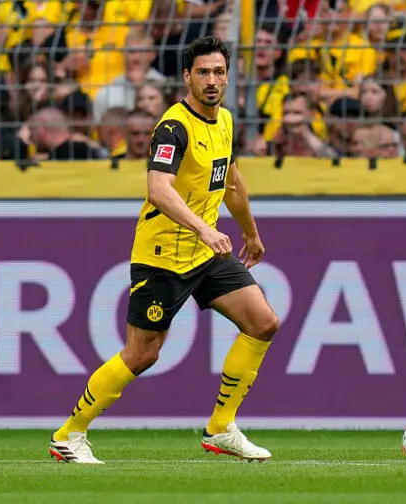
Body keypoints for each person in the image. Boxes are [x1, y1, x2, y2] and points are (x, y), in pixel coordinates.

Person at [48, 36, 279, 464]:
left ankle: (221, 427)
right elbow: (158, 188)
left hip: (204, 253)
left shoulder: (225, 121)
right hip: (163, 255)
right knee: (142, 353)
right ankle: (69, 434)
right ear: (188, 77)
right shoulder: (173, 126)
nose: (212, 80)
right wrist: (205, 230)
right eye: (203, 72)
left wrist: (251, 233)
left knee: (263, 322)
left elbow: (230, 181)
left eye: (219, 72)